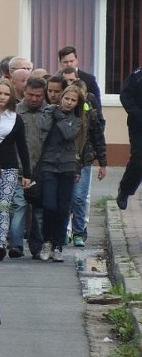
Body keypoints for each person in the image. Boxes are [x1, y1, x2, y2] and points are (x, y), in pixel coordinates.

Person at [0, 79, 32, 261]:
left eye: (6, 94)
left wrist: (27, 173)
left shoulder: (16, 118)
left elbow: (22, 147)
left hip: (9, 167)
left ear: (11, 97)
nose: (2, 97)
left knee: (3, 206)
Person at [38, 85, 84, 262]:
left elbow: (69, 134)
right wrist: (52, 113)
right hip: (49, 164)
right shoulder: (50, 111)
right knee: (49, 205)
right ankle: (47, 241)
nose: (69, 103)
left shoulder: (77, 119)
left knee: (64, 207)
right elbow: (42, 127)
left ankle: (58, 244)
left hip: (67, 166)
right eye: (67, 98)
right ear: (61, 97)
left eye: (73, 100)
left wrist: (60, 117)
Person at [10, 77, 48, 259]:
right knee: (19, 206)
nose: (34, 99)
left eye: (38, 96)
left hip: (41, 171)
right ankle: (16, 244)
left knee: (39, 212)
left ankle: (37, 247)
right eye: (31, 95)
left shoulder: (49, 113)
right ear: (24, 92)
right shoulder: (15, 112)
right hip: (19, 169)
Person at [69, 79, 107, 247]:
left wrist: (103, 163)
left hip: (84, 159)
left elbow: (98, 137)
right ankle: (63, 232)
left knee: (79, 197)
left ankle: (78, 232)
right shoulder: (63, 112)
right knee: (65, 198)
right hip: (65, 160)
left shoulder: (90, 113)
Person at [118, 65, 142, 210]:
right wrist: (138, 115)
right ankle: (125, 190)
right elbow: (125, 96)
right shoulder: (137, 76)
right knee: (139, 160)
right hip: (139, 126)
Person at [58, 45, 103, 123]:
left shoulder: (89, 79)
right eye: (65, 62)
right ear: (60, 62)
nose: (69, 64)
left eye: (71, 61)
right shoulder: (56, 79)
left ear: (77, 60)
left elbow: (97, 106)